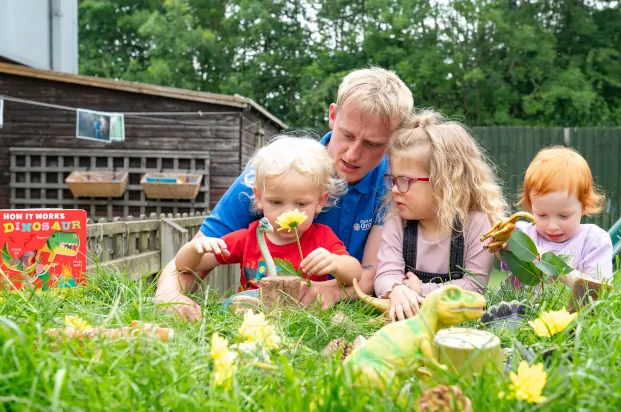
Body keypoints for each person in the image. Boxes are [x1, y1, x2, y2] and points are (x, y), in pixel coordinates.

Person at [154, 66, 414, 321]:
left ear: (394, 140)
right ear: (333, 116)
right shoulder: (273, 173)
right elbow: (193, 257)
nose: (353, 154)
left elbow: (373, 272)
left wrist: (331, 291)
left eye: (372, 144)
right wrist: (169, 295)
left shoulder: (394, 184)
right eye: (347, 135)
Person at [172, 136, 362, 295]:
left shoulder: (321, 238)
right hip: (253, 322)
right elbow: (185, 266)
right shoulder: (250, 237)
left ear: (320, 202)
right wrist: (194, 249)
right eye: (276, 202)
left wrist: (335, 263)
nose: (287, 214)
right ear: (259, 198)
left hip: (303, 325)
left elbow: (355, 273)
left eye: (301, 204)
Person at [373, 110, 508, 322]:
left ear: (444, 184)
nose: (395, 190)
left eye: (405, 180)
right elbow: (385, 273)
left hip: (457, 320)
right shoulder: (397, 221)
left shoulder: (476, 223)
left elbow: (474, 286)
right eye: (393, 179)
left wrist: (420, 290)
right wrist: (397, 290)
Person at [486, 146, 613, 290]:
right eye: (542, 215)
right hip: (520, 311)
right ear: (531, 205)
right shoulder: (522, 234)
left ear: (584, 205)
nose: (552, 226)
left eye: (564, 216)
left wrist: (546, 259)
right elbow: (508, 259)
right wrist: (500, 246)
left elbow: (597, 290)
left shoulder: (593, 241)